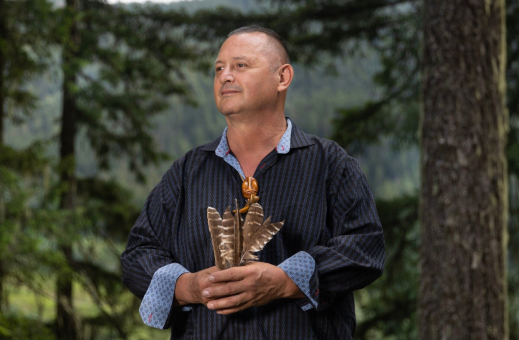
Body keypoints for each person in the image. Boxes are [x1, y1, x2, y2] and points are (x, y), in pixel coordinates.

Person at [120, 26, 385, 339]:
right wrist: (188, 286)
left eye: (240, 66)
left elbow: (364, 247)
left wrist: (285, 281)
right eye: (219, 68)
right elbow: (138, 253)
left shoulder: (329, 163)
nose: (225, 76)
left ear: (282, 78)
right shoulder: (187, 171)